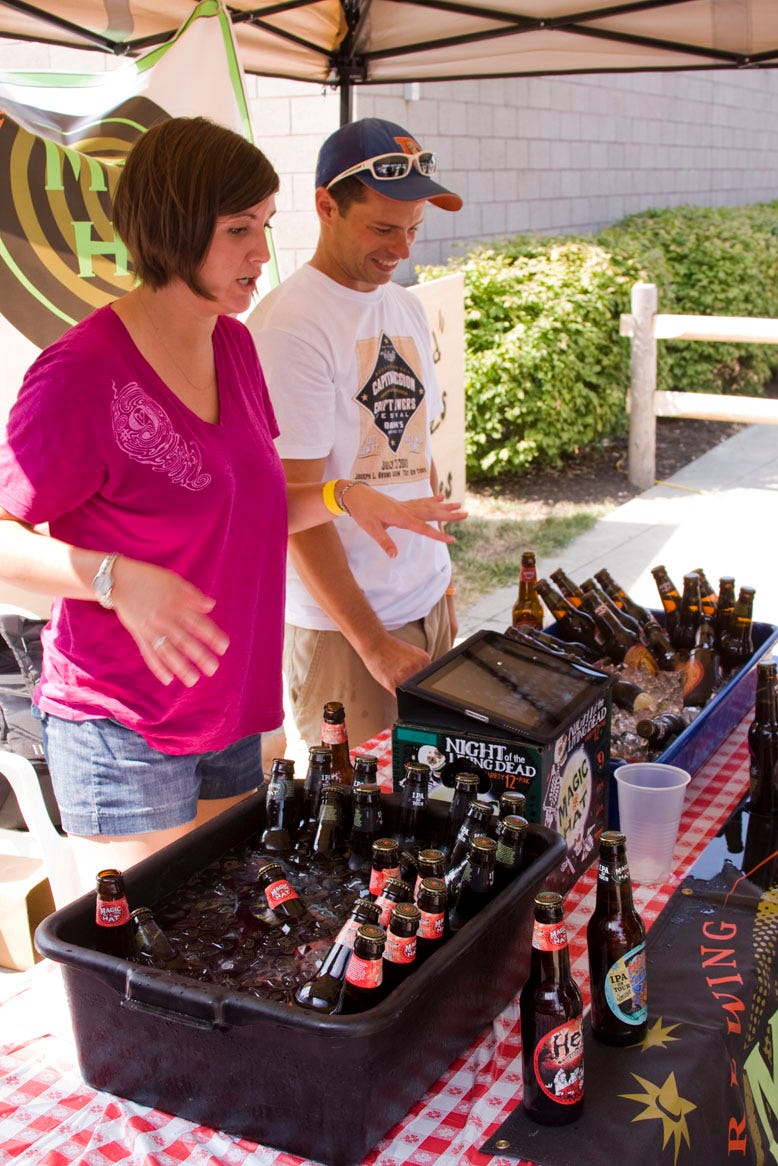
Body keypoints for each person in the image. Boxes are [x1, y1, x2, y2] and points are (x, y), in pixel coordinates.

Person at [0, 116, 465, 892]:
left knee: (223, 940)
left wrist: (346, 498)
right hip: (124, 722)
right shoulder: (80, 372)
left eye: (266, 225)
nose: (262, 252)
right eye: (238, 229)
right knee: (142, 971)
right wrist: (117, 577)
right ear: (173, 230)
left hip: (231, 711)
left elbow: (250, 513)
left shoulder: (233, 345)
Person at [249, 117, 464, 749]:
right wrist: (372, 643)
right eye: (382, 227)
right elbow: (297, 507)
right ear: (325, 207)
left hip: (424, 606)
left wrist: (438, 576)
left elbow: (411, 446)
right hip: (348, 630)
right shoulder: (291, 327)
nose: (401, 249)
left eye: (413, 229)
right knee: (365, 823)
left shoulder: (403, 304)